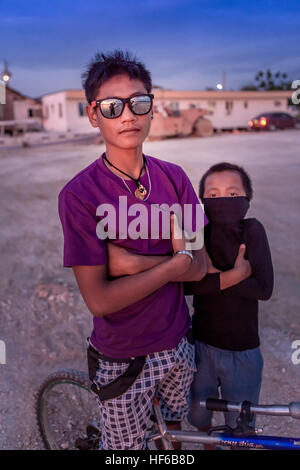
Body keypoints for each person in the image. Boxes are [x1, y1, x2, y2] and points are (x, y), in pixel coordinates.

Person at [58, 50, 209, 450]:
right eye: (112, 106)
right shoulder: (79, 195)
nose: (128, 115)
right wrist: (175, 262)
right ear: (93, 114)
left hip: (179, 343)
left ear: (151, 109)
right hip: (122, 358)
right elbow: (101, 300)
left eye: (139, 102)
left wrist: (134, 263)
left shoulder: (174, 179)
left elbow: (201, 266)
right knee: (126, 451)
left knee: (171, 438)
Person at [183, 162, 274, 449]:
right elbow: (187, 286)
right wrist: (235, 276)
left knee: (241, 426)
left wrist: (215, 279)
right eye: (213, 193)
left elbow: (264, 289)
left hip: (243, 352)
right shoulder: (197, 231)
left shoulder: (253, 231)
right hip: (201, 347)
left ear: (248, 198)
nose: (224, 200)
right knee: (198, 416)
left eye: (233, 194)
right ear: (202, 200)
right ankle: (210, 442)